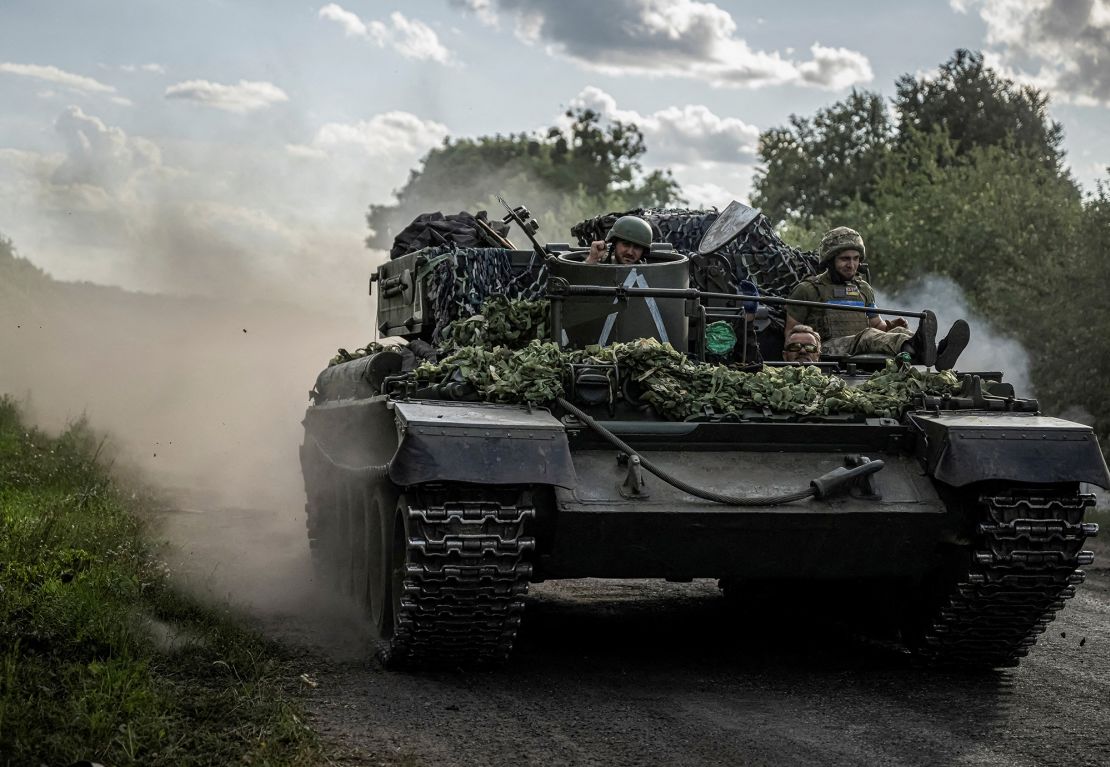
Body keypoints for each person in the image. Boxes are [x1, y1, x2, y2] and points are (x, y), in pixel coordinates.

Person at [785, 227, 970, 370]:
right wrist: (805, 353)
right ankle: (916, 346)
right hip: (824, 349)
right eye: (845, 259)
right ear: (829, 260)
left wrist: (891, 326)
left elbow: (878, 327)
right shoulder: (807, 290)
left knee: (898, 333)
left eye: (856, 259)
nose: (852, 265)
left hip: (859, 344)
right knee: (867, 336)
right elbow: (791, 335)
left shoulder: (863, 289)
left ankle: (938, 351)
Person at [585, 215, 653, 265]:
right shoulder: (602, 265)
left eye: (637, 247)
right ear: (615, 244)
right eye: (626, 244)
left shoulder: (649, 273)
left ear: (643, 251)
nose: (630, 252)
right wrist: (592, 259)